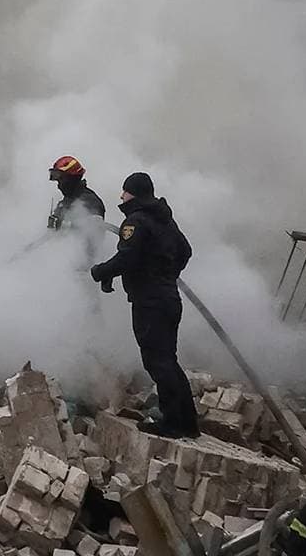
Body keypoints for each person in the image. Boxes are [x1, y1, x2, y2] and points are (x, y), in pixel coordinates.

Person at [89, 171, 199, 438]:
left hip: (150, 301)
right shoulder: (164, 219)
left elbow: (126, 258)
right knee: (167, 360)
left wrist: (99, 271)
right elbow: (185, 251)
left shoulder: (136, 221)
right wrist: (167, 274)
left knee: (157, 362)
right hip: (167, 298)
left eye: (125, 192)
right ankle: (187, 422)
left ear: (134, 194)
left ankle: (172, 423)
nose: (121, 196)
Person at [46, 155, 105, 231]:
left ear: (71, 178)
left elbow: (94, 234)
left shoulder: (90, 201)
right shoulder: (66, 201)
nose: (58, 184)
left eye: (60, 179)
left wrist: (65, 226)